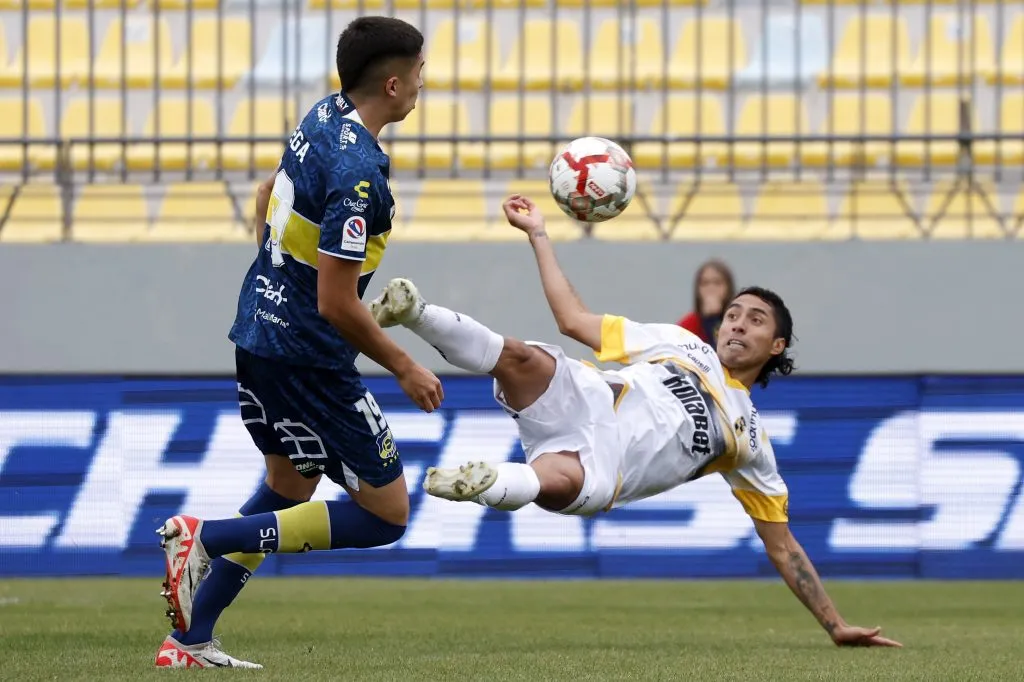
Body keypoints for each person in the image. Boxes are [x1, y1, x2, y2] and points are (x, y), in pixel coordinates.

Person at [366, 194, 902, 649]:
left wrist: (835, 625)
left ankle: (489, 483)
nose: (738, 323)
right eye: (734, 313)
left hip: (609, 464)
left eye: (755, 320)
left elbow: (782, 545)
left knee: (558, 481)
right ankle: (414, 311)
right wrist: (539, 234)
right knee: (522, 358)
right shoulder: (683, 342)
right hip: (590, 397)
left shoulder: (751, 441)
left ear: (776, 345)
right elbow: (572, 320)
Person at [155, 16, 443, 669]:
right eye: (420, 72)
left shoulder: (322, 115)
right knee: (388, 515)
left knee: (290, 485)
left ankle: (190, 639)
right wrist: (404, 365)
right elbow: (335, 302)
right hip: (308, 358)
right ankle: (206, 537)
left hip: (256, 332)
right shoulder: (359, 172)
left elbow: (266, 196)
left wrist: (275, 268)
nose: (424, 83)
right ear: (394, 84)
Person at [677, 259, 735, 345]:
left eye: (717, 283)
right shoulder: (688, 324)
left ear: (728, 287)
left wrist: (713, 319)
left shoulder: (736, 322)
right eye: (705, 283)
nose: (711, 288)